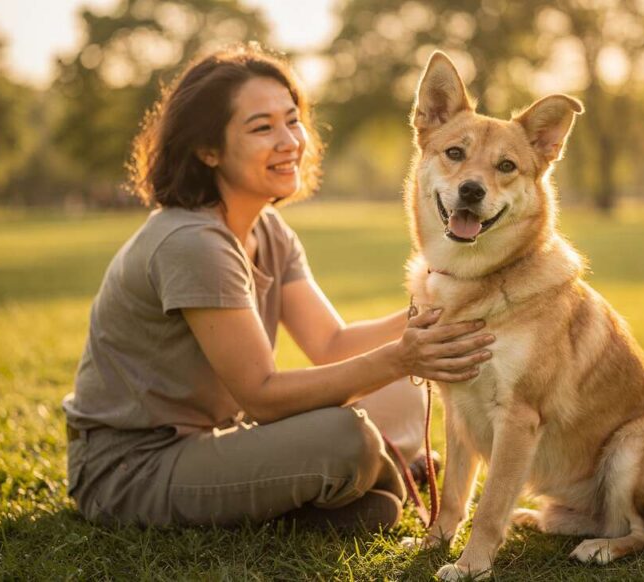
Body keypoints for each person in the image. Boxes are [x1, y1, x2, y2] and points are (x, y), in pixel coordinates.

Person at [61, 44, 495, 530]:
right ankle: (378, 475)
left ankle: (364, 483)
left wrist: (440, 312)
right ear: (207, 150)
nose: (289, 140)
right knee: (344, 436)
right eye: (261, 127)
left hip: (215, 439)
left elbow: (332, 345)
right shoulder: (191, 242)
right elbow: (262, 395)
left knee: (396, 394)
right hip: (130, 468)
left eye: (293, 120)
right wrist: (403, 357)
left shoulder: (267, 229)